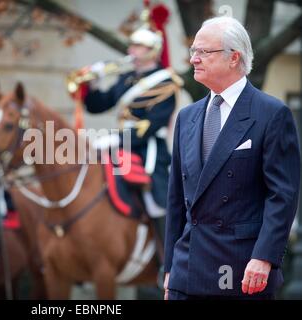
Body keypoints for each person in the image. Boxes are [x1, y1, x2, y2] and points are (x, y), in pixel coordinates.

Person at [164, 16, 300, 300]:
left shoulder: (271, 114)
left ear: (233, 57)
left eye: (203, 52)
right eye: (193, 52)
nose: (194, 60)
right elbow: (177, 198)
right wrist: (169, 270)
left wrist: (265, 257)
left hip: (242, 271)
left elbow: (282, 195)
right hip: (186, 272)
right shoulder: (187, 117)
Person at [80, 26, 182, 246]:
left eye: (138, 46)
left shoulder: (166, 83)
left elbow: (153, 124)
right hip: (121, 142)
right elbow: (98, 106)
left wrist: (118, 139)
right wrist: (94, 84)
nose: (132, 50)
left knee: (156, 198)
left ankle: (168, 257)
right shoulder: (126, 77)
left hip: (149, 146)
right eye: (132, 45)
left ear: (152, 50)